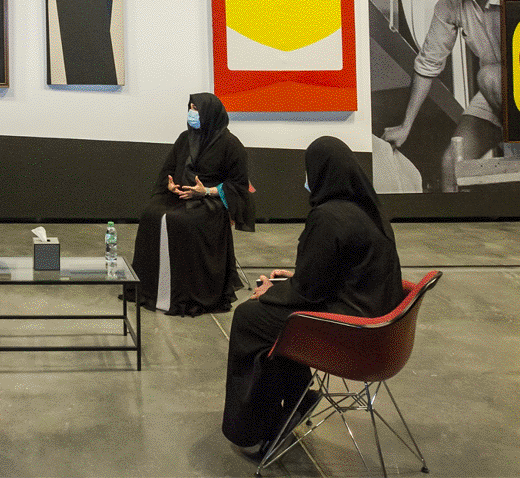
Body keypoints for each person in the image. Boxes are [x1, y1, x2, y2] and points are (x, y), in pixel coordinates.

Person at [222, 136, 403, 450]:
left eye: (309, 169)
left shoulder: (328, 217)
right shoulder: (368, 210)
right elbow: (346, 271)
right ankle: (297, 396)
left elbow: (307, 293)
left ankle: (254, 426)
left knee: (250, 318)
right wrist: (294, 279)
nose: (306, 178)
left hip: (351, 333)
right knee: (275, 319)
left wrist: (269, 291)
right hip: (378, 326)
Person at [381, 0, 515, 192]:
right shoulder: (451, 1)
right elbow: (428, 63)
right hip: (493, 94)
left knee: (489, 76)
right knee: (452, 165)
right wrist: (406, 125)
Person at [130, 92, 255, 316]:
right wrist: (171, 186)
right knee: (151, 214)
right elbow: (169, 170)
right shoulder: (184, 138)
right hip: (180, 195)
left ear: (209, 113)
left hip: (210, 200)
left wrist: (205, 191)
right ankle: (152, 288)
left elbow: (238, 185)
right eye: (190, 107)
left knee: (182, 222)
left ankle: (186, 292)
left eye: (196, 109)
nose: (191, 112)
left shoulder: (231, 145)